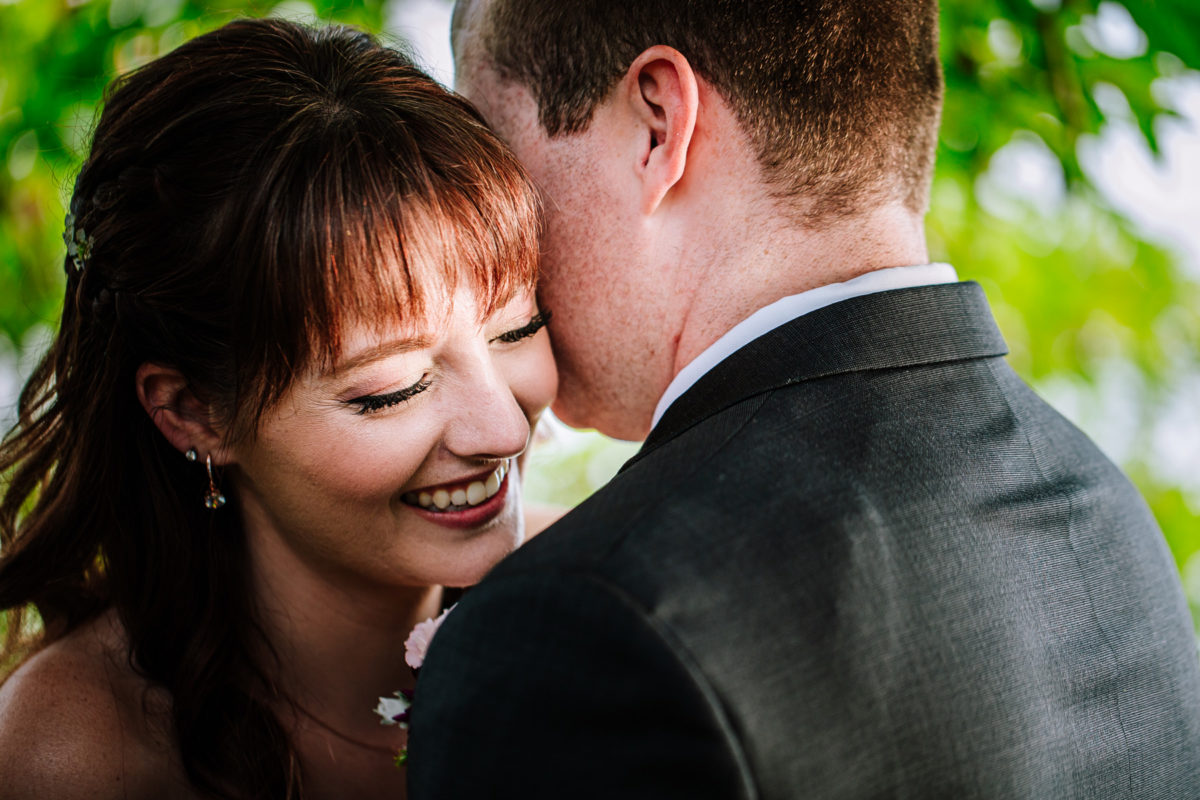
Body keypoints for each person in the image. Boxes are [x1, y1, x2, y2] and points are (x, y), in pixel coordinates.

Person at [407, 1, 1200, 797]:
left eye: (500, 154)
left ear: (657, 123)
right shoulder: (1104, 510)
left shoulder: (577, 626)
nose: (497, 226)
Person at [0, 18, 555, 800]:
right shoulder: (80, 757)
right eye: (391, 388)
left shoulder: (617, 594)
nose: (502, 430)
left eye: (518, 329)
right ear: (194, 412)